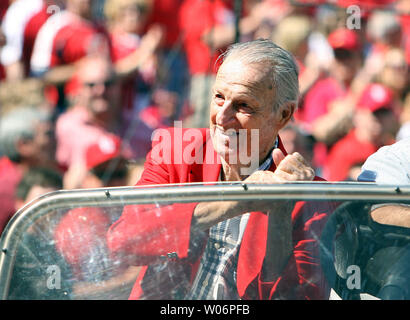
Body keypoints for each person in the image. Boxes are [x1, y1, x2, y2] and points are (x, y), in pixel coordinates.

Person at [107, 39, 334, 300]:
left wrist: (280, 212)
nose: (222, 117)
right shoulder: (175, 150)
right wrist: (237, 201)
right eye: (219, 97)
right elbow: (122, 241)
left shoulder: (308, 194)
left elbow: (295, 297)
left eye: (243, 105)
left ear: (283, 115)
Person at [0, 106, 57, 235]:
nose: (56, 140)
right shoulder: (4, 187)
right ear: (23, 145)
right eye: (48, 134)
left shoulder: (51, 172)